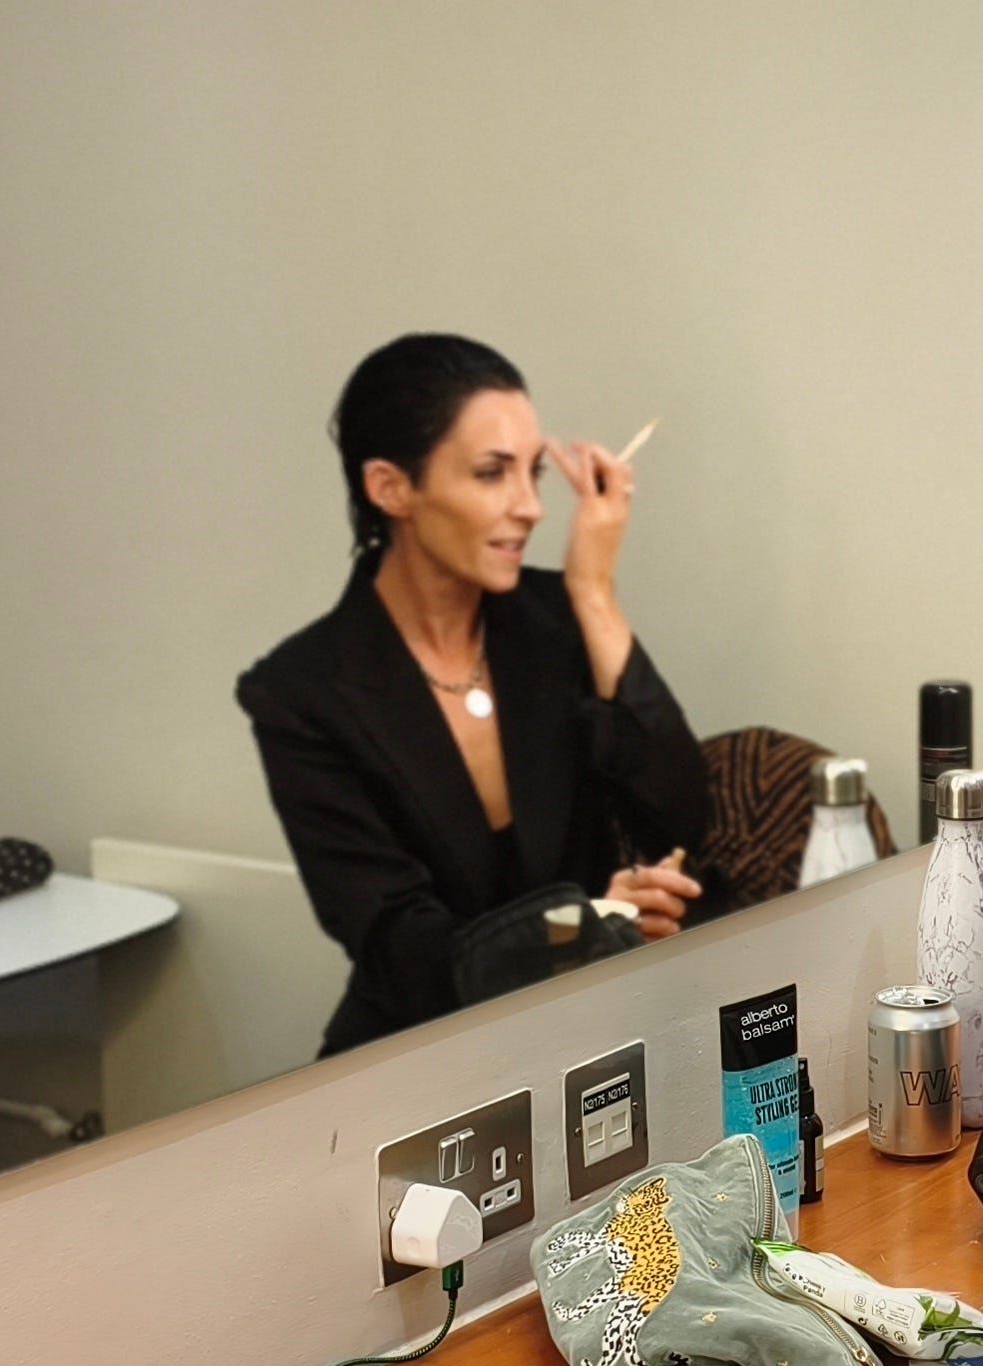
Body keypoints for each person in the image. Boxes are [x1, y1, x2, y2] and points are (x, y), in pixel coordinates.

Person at [240, 334, 712, 1057]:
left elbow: (682, 817)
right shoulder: (300, 694)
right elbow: (400, 947)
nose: (531, 507)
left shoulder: (558, 621)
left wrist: (594, 591)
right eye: (493, 474)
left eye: (534, 474)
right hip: (418, 1062)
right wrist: (585, 926)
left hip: (591, 1039)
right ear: (390, 488)